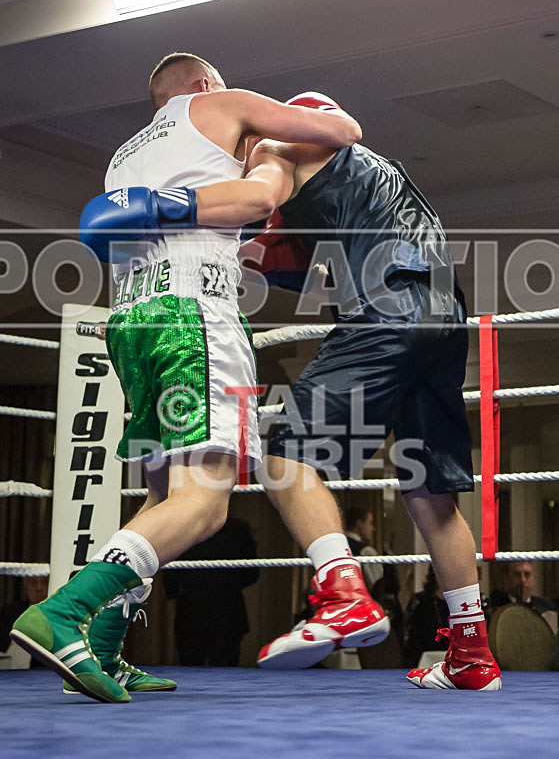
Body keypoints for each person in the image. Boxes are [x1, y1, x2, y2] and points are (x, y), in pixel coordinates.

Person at [10, 56, 361, 704]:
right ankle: (62, 612)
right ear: (204, 84)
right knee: (205, 501)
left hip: (132, 318)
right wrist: (274, 156)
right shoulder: (219, 104)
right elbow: (340, 132)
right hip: (192, 314)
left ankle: (108, 650)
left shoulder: (124, 157)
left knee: (163, 497)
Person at [126, 90, 500, 688]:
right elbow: (289, 261)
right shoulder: (375, 176)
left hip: (386, 307)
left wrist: (161, 208)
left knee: (282, 455)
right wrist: (238, 253)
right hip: (441, 314)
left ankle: (342, 595)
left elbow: (260, 198)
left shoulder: (277, 146)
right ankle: (473, 655)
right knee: (432, 494)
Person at [164, 516, 258, 666]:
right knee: (223, 668)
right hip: (224, 608)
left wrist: (173, 589)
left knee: (190, 669)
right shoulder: (238, 527)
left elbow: (171, 572)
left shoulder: (184, 526)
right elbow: (251, 573)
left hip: (194, 608)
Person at [490, 561, 556, 624]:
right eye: (517, 575)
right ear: (506, 578)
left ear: (534, 578)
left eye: (527, 575)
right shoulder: (495, 607)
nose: (522, 580)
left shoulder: (546, 608)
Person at [343, 507, 383, 593]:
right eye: (370, 523)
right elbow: (376, 587)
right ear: (359, 524)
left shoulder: (334, 547)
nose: (373, 528)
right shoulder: (366, 552)